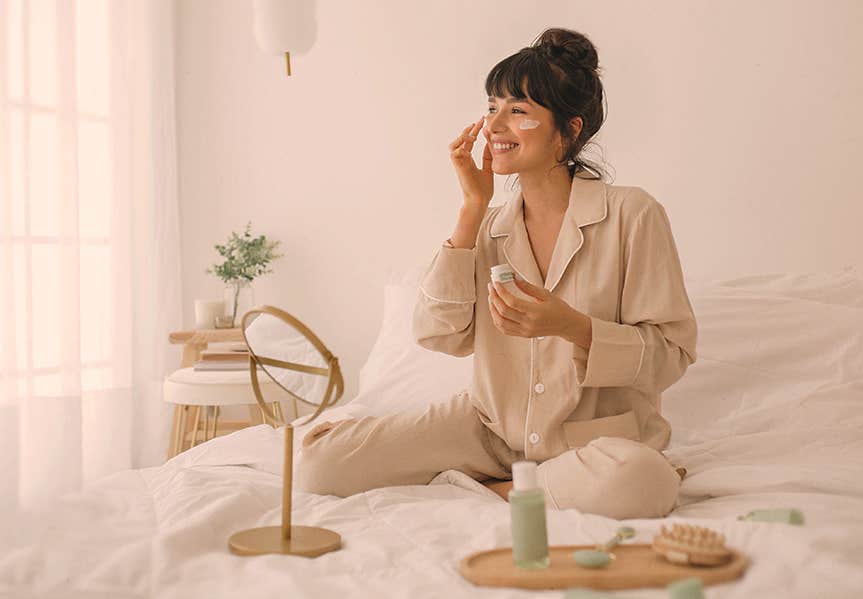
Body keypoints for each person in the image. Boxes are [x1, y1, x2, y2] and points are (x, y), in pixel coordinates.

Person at [295, 28, 697, 519]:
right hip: (490, 430)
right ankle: (526, 485)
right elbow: (439, 334)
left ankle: (504, 490)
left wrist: (571, 326)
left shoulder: (633, 214)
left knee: (643, 480)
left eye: (519, 111)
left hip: (590, 443)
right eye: (492, 108)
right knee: (320, 461)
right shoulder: (489, 226)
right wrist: (471, 208)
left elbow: (670, 357)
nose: (495, 126)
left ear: (569, 131)